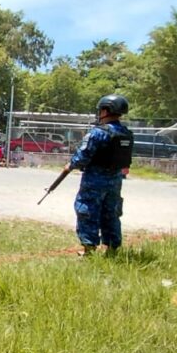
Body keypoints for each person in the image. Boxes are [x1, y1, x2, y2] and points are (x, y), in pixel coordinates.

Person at [68, 94, 134, 256]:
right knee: (111, 212)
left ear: (106, 110)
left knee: (87, 210)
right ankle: (112, 248)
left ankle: (88, 250)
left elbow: (82, 157)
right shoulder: (126, 133)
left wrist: (71, 164)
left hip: (94, 180)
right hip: (115, 180)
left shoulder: (98, 133)